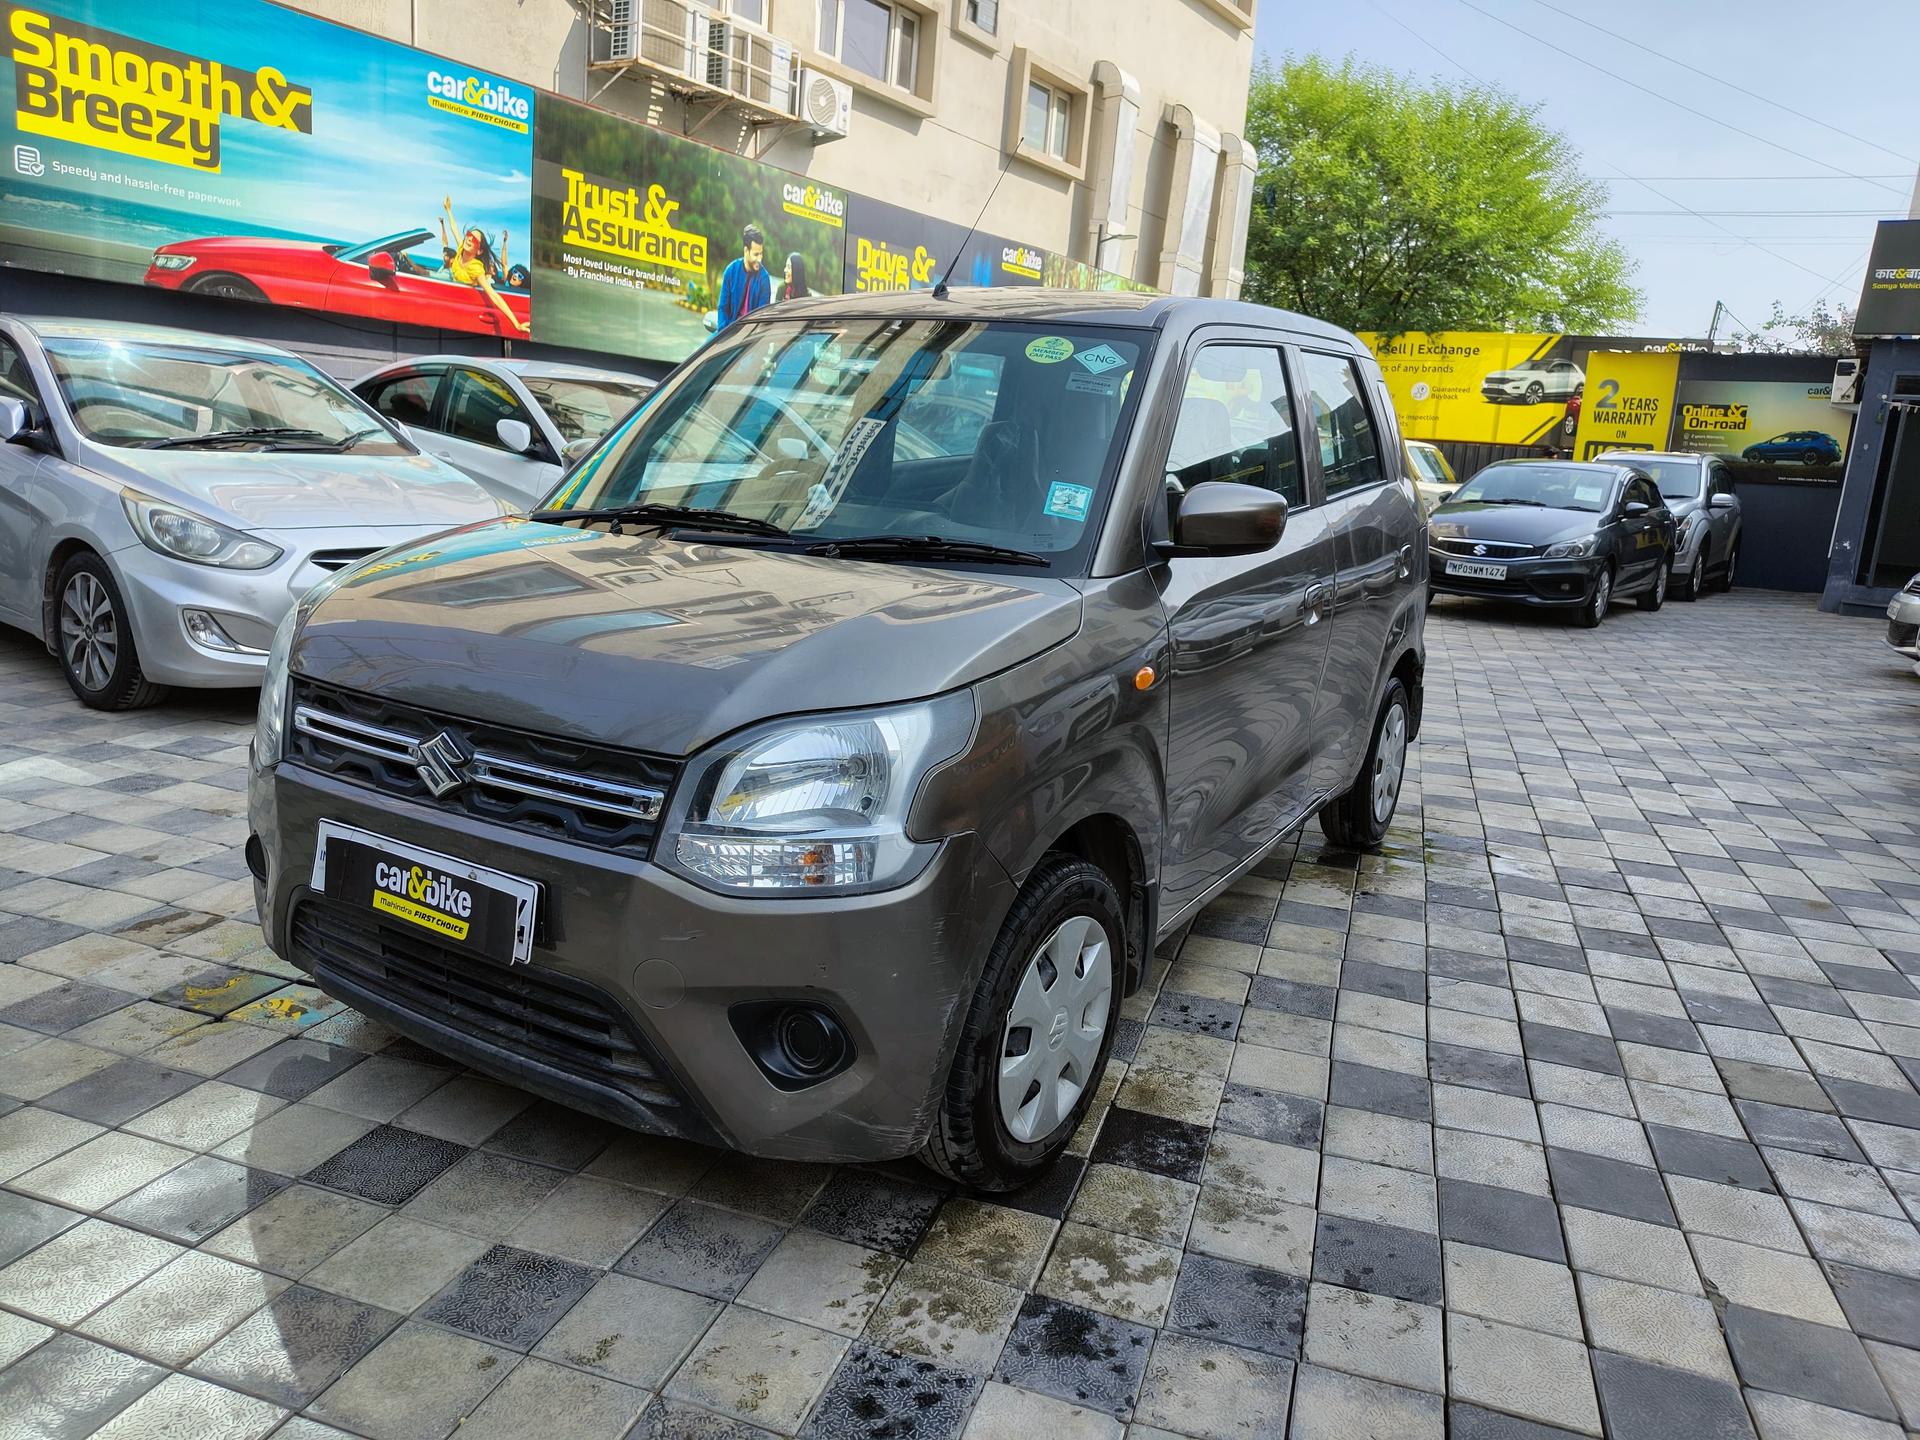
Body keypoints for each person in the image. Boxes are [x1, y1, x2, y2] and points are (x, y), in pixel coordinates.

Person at [438, 196, 528, 336]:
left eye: (474, 240)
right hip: (450, 289)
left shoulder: (475, 268)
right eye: (469, 235)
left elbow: (493, 295)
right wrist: (448, 210)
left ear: (479, 251)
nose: (469, 239)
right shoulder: (461, 249)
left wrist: (516, 324)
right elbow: (454, 229)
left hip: (463, 304)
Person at [716, 223, 771, 327]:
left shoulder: (764, 278)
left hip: (750, 333)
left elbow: (761, 318)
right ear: (746, 251)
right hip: (728, 329)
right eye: (756, 254)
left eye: (761, 253)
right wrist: (724, 331)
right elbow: (722, 308)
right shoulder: (731, 271)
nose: (760, 259)